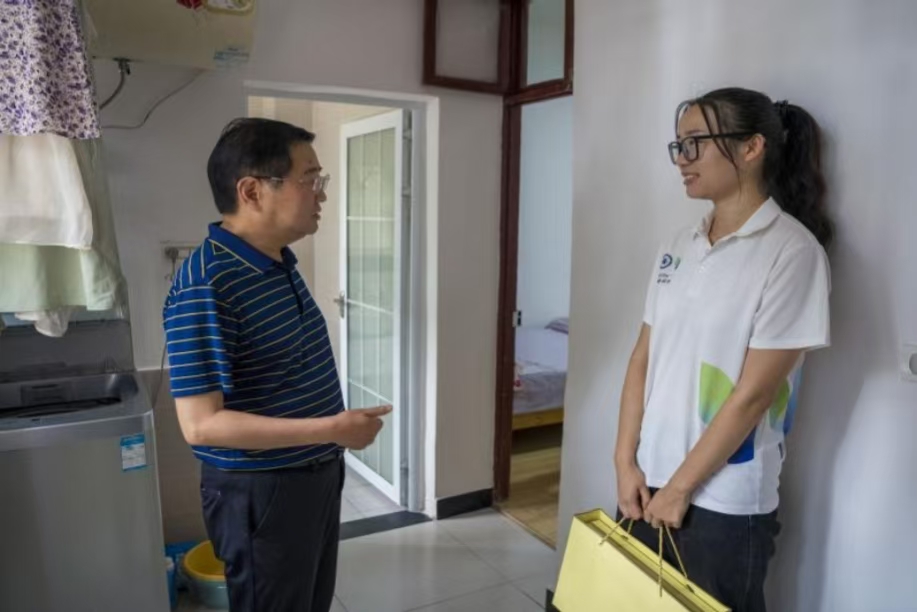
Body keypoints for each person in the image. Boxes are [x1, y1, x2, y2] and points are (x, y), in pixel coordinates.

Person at [614, 88, 832, 612]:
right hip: (645, 482)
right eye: (678, 145)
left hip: (722, 501)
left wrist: (680, 489)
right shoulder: (677, 244)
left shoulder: (792, 251)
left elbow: (754, 394)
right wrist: (625, 461)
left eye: (695, 142)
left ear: (752, 147)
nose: (681, 159)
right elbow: (642, 358)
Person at [162, 118, 392, 612]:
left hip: (313, 475)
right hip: (263, 490)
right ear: (252, 191)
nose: (321, 194)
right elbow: (200, 425)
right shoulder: (208, 283)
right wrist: (332, 428)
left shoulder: (276, 261)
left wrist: (329, 439)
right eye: (310, 179)